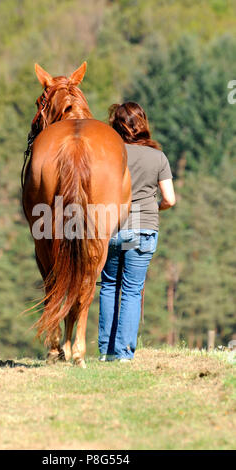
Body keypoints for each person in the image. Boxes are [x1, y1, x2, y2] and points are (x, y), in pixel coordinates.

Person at [98, 102, 176, 362]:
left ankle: (106, 352)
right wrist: (153, 208)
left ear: (115, 126)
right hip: (140, 233)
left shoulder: (109, 155)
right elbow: (170, 199)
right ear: (143, 124)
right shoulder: (158, 158)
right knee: (132, 290)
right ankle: (123, 354)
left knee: (109, 286)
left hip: (111, 231)